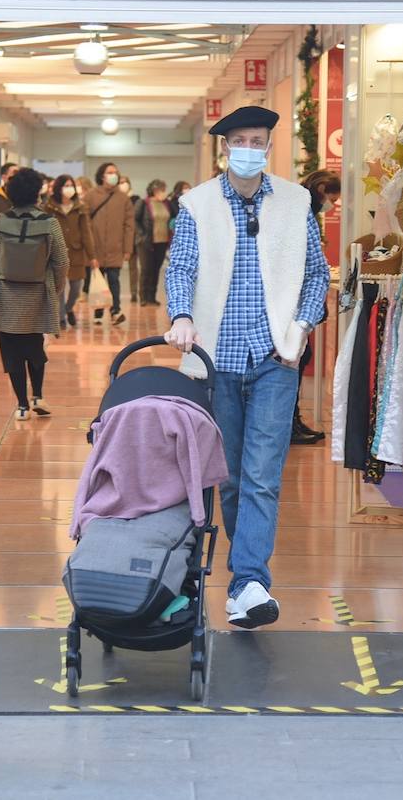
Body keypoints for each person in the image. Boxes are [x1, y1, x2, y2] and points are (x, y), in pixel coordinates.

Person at [164, 105, 330, 629]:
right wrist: (182, 315)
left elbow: (316, 275)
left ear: (268, 146)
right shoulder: (197, 204)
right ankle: (245, 578)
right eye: (240, 139)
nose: (250, 148)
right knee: (231, 479)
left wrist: (300, 330)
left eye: (258, 140)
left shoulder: (296, 202)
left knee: (261, 476)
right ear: (225, 146)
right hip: (216, 362)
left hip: (275, 359)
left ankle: (249, 582)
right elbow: (182, 266)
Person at [0, 168, 69, 420]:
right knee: (34, 345)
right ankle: (38, 395)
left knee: (11, 350)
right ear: (37, 193)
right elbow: (61, 261)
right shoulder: (50, 223)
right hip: (37, 294)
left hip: (6, 296)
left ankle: (21, 405)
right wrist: (55, 288)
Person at [291, 170, 340, 445]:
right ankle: (291, 422)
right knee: (299, 355)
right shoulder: (302, 210)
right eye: (332, 197)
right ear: (321, 188)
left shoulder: (304, 207)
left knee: (301, 354)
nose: (331, 204)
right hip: (295, 297)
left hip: (298, 295)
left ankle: (293, 420)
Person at [83, 161, 134, 326]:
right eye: (110, 172)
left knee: (114, 280)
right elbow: (85, 222)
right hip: (96, 247)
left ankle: (115, 311)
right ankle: (98, 312)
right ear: (102, 175)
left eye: (115, 172)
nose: (114, 175)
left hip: (115, 247)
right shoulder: (91, 195)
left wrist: (128, 249)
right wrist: (89, 248)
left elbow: (129, 225)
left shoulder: (123, 198)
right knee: (98, 280)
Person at [44, 173, 97, 328]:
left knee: (76, 289)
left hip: (76, 252)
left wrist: (92, 256)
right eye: (66, 186)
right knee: (59, 289)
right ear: (58, 188)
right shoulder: (49, 207)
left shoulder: (80, 207)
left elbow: (86, 232)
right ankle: (61, 318)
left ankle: (68, 309)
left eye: (71, 186)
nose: (69, 189)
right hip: (55, 253)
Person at [136, 179, 172, 307]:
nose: (163, 192)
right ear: (153, 190)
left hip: (161, 241)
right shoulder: (144, 203)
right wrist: (141, 235)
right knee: (146, 269)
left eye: (164, 189)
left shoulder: (166, 204)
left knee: (156, 269)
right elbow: (136, 220)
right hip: (146, 241)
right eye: (161, 189)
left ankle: (152, 296)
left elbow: (172, 217)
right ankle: (143, 297)